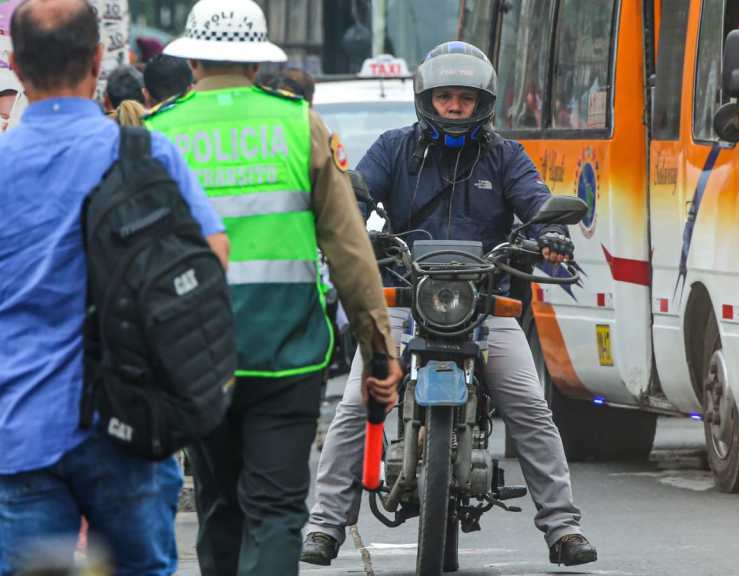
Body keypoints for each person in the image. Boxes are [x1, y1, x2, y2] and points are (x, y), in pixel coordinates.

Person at [302, 41, 598, 568]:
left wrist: (551, 234)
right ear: (427, 99)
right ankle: (324, 526)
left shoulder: (505, 155)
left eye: (464, 97)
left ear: (482, 103)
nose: (455, 106)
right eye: (445, 97)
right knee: (354, 405)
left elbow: (536, 201)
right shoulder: (394, 148)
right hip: (401, 297)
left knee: (531, 408)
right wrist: (344, 219)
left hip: (485, 305)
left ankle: (563, 527)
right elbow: (359, 193)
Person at [145, 1, 402, 574]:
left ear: (193, 63)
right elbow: (349, 252)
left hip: (197, 360)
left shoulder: (160, 132)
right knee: (277, 511)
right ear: (258, 66)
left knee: (217, 505)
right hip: (287, 357)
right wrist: (379, 350)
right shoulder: (298, 124)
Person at [0, 1, 228, 574]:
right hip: (130, 420)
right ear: (98, 59)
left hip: (18, 429)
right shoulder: (145, 152)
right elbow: (212, 261)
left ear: (15, 65)